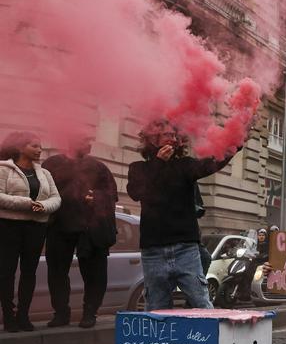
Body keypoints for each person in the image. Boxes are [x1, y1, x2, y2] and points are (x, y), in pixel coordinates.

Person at [126, 121, 239, 310]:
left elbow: (212, 163)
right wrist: (158, 163)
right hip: (153, 250)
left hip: (185, 248)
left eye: (175, 135)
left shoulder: (185, 166)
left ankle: (208, 339)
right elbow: (136, 192)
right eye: (166, 135)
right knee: (156, 306)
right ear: (152, 139)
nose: (172, 138)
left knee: (201, 301)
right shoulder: (139, 168)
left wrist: (236, 139)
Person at [42, 135, 118, 328]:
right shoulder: (52, 164)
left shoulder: (99, 167)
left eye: (89, 140)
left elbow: (112, 194)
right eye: (83, 140)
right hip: (59, 226)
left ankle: (90, 312)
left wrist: (97, 197)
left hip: (90, 229)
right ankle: (61, 313)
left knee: (95, 273)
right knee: (57, 272)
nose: (89, 144)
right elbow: (42, 191)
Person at [0, 132, 61, 332]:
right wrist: (27, 204)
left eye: (40, 146)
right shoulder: (3, 168)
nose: (39, 149)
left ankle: (23, 316)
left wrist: (43, 207)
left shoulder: (44, 173)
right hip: (9, 225)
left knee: (29, 272)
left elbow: (56, 198)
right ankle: (8, 317)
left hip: (36, 227)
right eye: (34, 145)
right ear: (20, 147)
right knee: (6, 272)